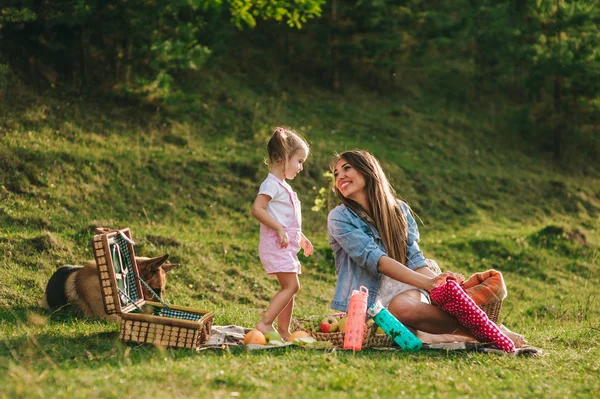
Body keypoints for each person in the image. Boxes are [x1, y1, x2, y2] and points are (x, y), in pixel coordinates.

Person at [328, 149, 526, 345]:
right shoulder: (340, 217)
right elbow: (375, 260)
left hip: (409, 284)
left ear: (368, 170)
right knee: (412, 333)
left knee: (403, 308)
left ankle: (484, 332)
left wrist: (438, 284)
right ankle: (489, 332)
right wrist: (428, 284)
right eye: (336, 173)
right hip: (367, 298)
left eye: (347, 168)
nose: (340, 176)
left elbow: (414, 258)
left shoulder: (399, 211)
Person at [251, 127, 314, 340]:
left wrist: (301, 237)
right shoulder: (271, 184)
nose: (301, 167)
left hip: (286, 245)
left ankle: (284, 330)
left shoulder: (282, 186)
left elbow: (289, 220)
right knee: (292, 285)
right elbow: (257, 209)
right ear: (281, 157)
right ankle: (266, 322)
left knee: (290, 287)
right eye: (299, 161)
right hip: (275, 243)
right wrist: (278, 228)